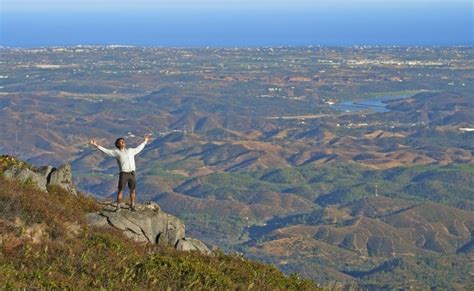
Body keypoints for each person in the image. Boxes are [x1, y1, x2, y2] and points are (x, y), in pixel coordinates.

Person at [90, 135, 151, 211]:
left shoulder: (130, 150)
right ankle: (118, 207)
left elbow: (139, 148)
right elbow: (107, 151)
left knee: (133, 190)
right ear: (118, 144)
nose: (123, 142)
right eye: (121, 142)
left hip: (132, 173)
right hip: (124, 174)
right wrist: (96, 145)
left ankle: (132, 206)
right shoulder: (117, 152)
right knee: (120, 190)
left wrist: (145, 141)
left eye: (123, 141)